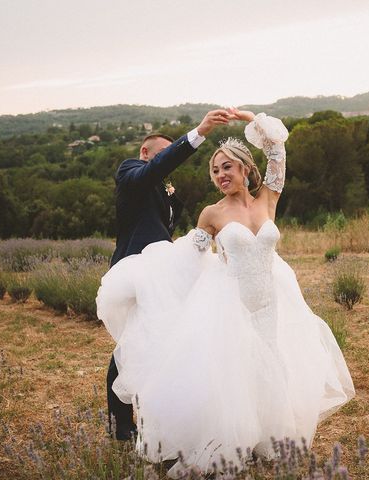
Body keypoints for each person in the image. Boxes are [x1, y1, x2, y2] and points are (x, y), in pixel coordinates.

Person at [96, 109, 355, 474]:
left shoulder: (268, 199)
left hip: (270, 297)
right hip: (230, 300)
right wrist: (150, 276)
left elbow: (278, 152)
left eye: (227, 168)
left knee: (269, 363)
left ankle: (265, 435)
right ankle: (231, 440)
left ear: (246, 170)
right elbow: (189, 256)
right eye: (215, 170)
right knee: (234, 370)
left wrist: (253, 117)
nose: (220, 175)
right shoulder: (211, 214)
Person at [106, 109, 231, 440]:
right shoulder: (129, 171)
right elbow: (152, 173)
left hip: (164, 270)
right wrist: (197, 133)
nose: (166, 162)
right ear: (145, 153)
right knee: (131, 343)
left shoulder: (161, 188)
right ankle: (121, 423)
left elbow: (165, 227)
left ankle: (164, 415)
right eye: (163, 154)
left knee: (164, 340)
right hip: (134, 270)